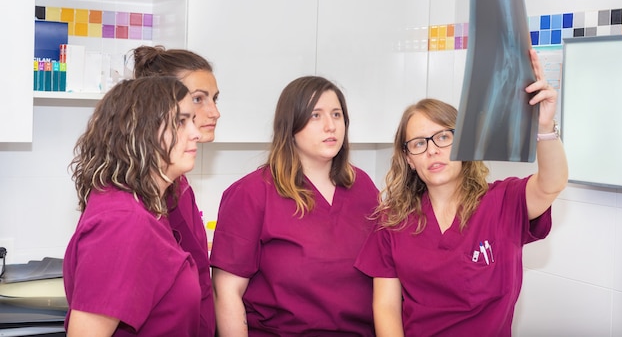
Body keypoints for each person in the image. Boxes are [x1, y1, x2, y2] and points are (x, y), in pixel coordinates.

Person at [354, 49, 568, 336]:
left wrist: (544, 127)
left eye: (443, 137)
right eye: (418, 144)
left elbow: (551, 183)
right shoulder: (392, 220)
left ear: (463, 143)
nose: (432, 149)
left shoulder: (503, 202)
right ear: (409, 159)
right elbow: (386, 307)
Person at [211, 75, 379, 336]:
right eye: (315, 115)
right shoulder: (252, 193)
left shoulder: (364, 187)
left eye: (336, 115)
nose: (330, 126)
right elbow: (227, 292)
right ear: (291, 125)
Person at [63, 76, 203, 336]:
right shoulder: (124, 221)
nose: (196, 133)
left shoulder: (144, 206)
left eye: (192, 121)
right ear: (141, 131)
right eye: (181, 122)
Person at [132, 45, 220, 336]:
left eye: (215, 99)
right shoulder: (131, 206)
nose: (214, 112)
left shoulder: (176, 185)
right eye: (198, 99)